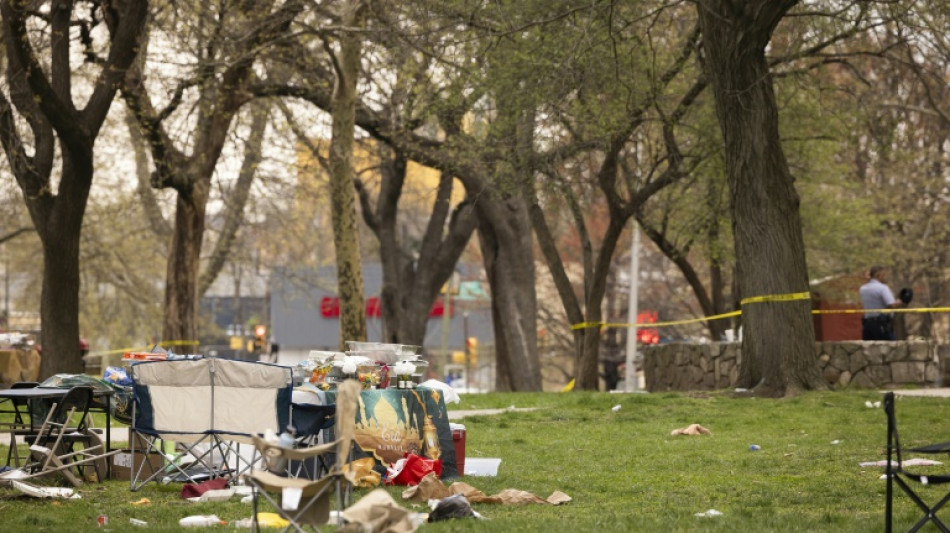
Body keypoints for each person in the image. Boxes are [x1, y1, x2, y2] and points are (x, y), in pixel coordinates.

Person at [859, 266, 909, 340]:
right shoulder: (882, 288)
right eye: (884, 275)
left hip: (867, 325)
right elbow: (891, 305)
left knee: (870, 349)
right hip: (881, 325)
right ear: (878, 275)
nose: (885, 277)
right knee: (888, 349)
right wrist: (901, 301)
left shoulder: (862, 289)